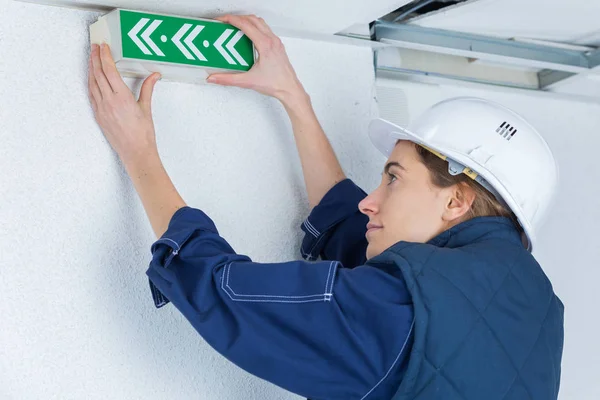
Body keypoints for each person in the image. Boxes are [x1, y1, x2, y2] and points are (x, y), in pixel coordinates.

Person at [88, 14, 564, 400]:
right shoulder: (535, 314)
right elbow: (352, 228)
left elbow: (225, 293)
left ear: (456, 200)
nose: (369, 201)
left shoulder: (397, 312)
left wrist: (139, 154)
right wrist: (292, 96)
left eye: (393, 178)